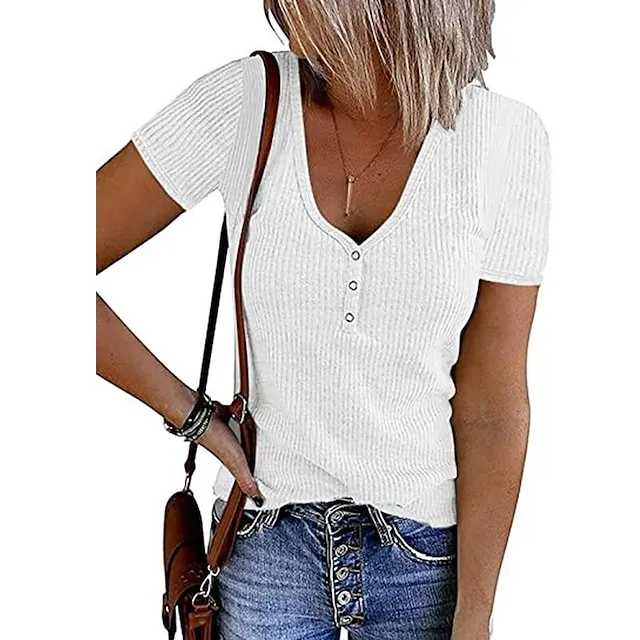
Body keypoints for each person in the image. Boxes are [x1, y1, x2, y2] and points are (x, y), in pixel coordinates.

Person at [96, 1, 551, 638]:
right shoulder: (246, 102)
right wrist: (192, 416)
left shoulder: (507, 139)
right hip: (264, 553)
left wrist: (475, 617)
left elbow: (492, 405)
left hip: (427, 568)